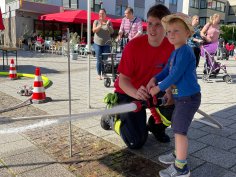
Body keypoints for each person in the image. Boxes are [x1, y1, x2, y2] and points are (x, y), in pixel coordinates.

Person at [100, 4, 175, 149]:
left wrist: (170, 91)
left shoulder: (171, 46)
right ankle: (111, 117)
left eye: (158, 24)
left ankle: (155, 127)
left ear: (166, 27)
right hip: (127, 92)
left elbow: (173, 74)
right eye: (150, 23)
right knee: (136, 141)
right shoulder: (133, 46)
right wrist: (136, 93)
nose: (152, 28)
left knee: (177, 104)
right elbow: (123, 81)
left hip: (151, 90)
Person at [146, 13, 201, 177]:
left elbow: (175, 75)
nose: (171, 34)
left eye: (176, 31)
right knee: (178, 128)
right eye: (168, 31)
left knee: (179, 131)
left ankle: (181, 168)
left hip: (188, 99)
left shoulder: (185, 51)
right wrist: (155, 78)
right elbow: (167, 70)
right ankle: (178, 156)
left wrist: (159, 87)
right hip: (182, 98)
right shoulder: (175, 52)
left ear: (187, 33)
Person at [92, 8, 114, 80]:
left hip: (106, 44)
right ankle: (99, 74)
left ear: (105, 14)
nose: (100, 15)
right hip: (97, 43)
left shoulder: (109, 22)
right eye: (100, 13)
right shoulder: (96, 21)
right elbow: (94, 30)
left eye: (102, 13)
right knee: (99, 59)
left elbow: (112, 32)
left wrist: (107, 25)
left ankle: (104, 73)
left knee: (105, 59)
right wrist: (100, 25)